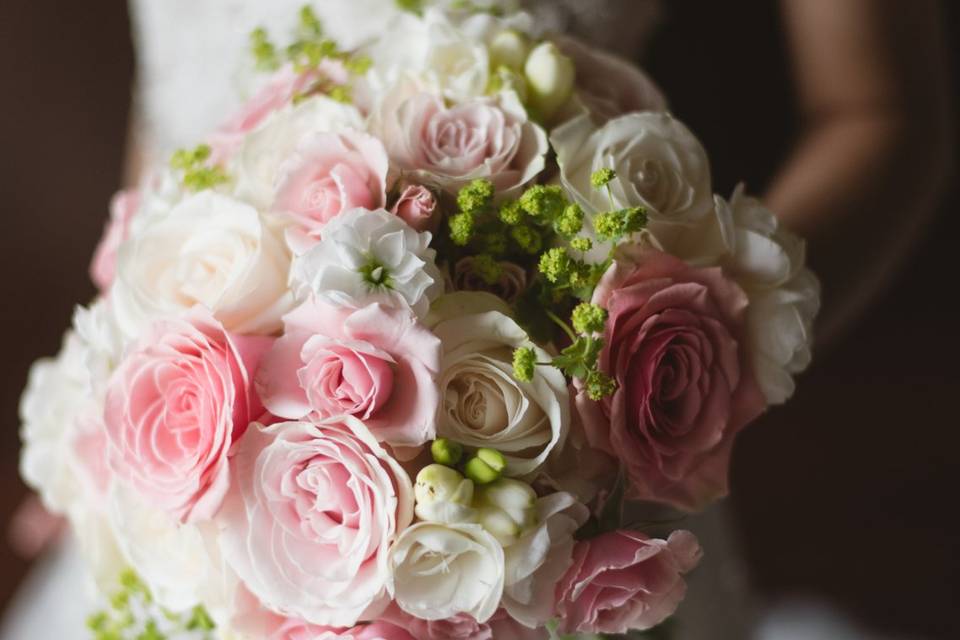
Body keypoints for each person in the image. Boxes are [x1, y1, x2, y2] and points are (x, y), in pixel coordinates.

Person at [2, 1, 950, 638]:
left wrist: (701, 344)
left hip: (577, 477)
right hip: (206, 508)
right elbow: (175, 116)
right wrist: (128, 383)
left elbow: (877, 107)